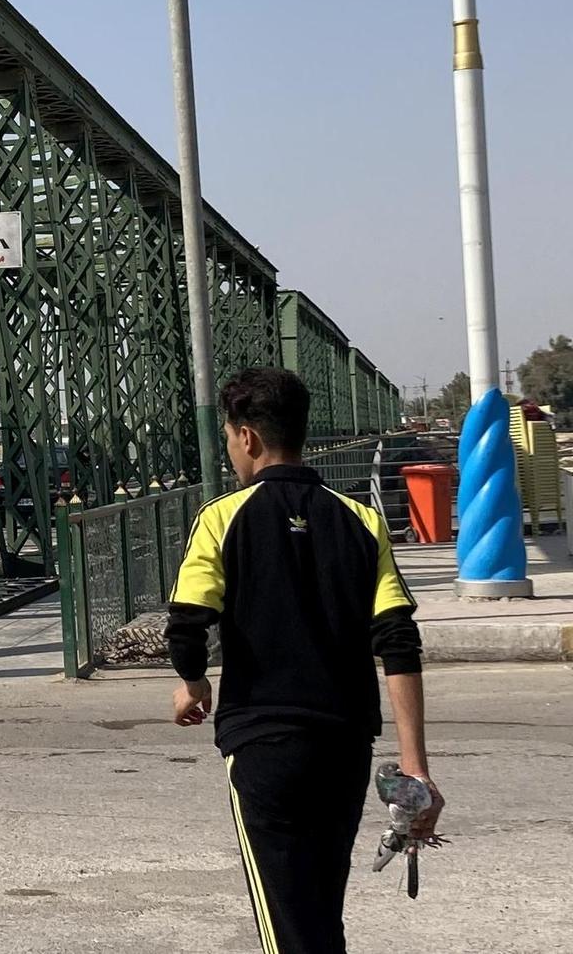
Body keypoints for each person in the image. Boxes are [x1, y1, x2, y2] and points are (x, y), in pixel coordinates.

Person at [166, 368, 442, 954]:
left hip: (263, 741)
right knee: (320, 914)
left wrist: (193, 683)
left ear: (247, 437)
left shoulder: (221, 517)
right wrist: (415, 769)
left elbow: (187, 621)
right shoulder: (362, 521)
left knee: (287, 925)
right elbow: (398, 641)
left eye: (230, 439)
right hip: (344, 742)